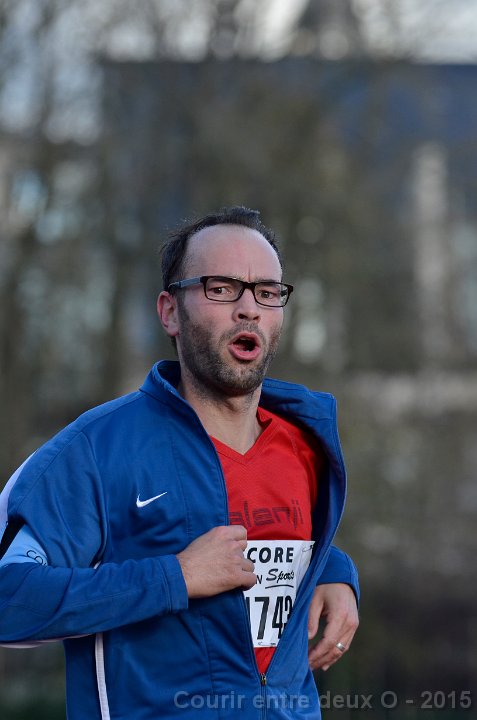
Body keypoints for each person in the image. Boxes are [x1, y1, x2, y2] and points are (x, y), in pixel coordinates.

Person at [0, 206, 359, 719]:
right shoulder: (94, 452)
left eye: (266, 292)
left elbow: (273, 536)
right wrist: (174, 577)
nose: (248, 309)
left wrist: (333, 570)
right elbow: (9, 599)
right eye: (221, 288)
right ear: (170, 312)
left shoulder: (306, 445)